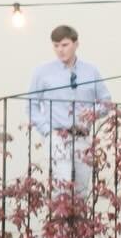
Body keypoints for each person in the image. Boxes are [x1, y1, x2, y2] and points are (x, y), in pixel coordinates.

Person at [27, 24, 111, 197]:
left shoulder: (90, 70)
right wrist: (47, 131)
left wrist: (92, 112)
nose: (60, 50)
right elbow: (31, 105)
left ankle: (79, 224)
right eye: (56, 46)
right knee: (62, 189)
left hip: (82, 136)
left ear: (76, 44)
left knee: (81, 191)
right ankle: (61, 223)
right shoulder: (42, 71)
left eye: (64, 45)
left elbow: (106, 102)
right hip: (58, 136)